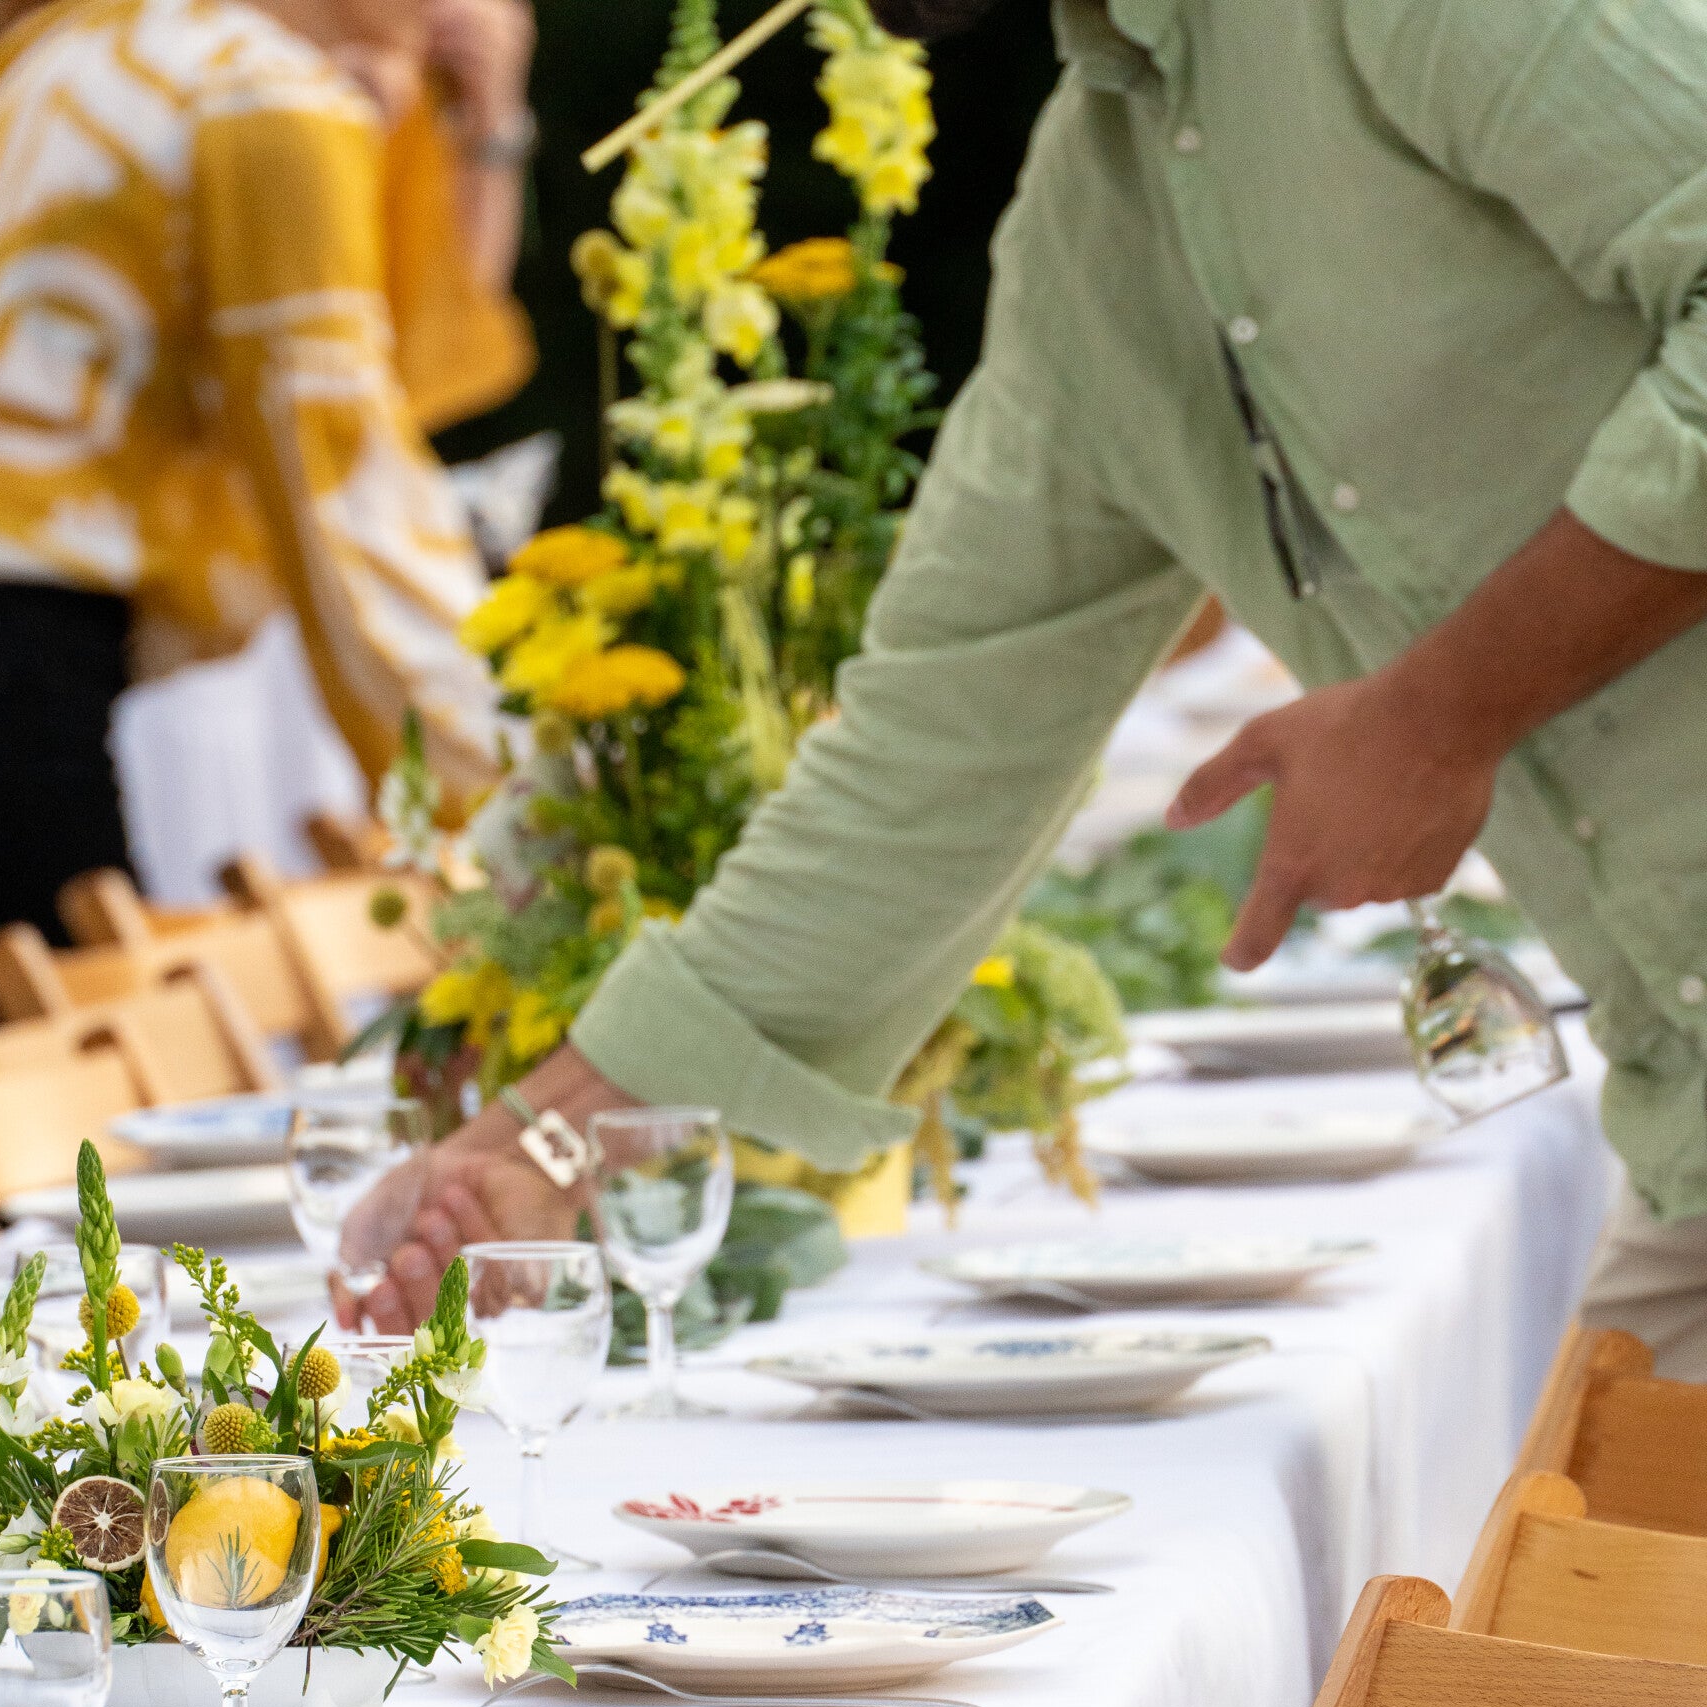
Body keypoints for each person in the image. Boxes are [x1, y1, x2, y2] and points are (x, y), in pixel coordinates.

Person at [345, 0, 1707, 1376]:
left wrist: (1437, 716)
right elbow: (934, 751)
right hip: (1687, 1137)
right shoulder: (1089, 229)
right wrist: (539, 1144)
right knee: (1566, 1544)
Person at [0, 0, 534, 1079]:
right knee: (74, 1183)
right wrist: (515, 824)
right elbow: (345, 492)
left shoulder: (87, 40)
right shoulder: (268, 98)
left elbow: (388, 388)